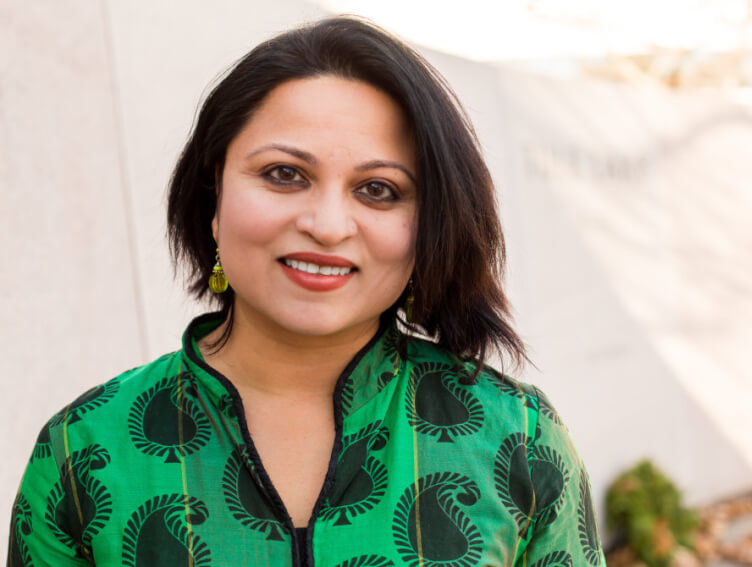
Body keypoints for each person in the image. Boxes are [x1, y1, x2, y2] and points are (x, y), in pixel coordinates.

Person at [8, 17, 605, 567]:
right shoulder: (84, 450)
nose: (327, 225)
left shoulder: (517, 440)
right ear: (214, 196)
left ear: (430, 224)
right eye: (284, 174)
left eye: (377, 189)